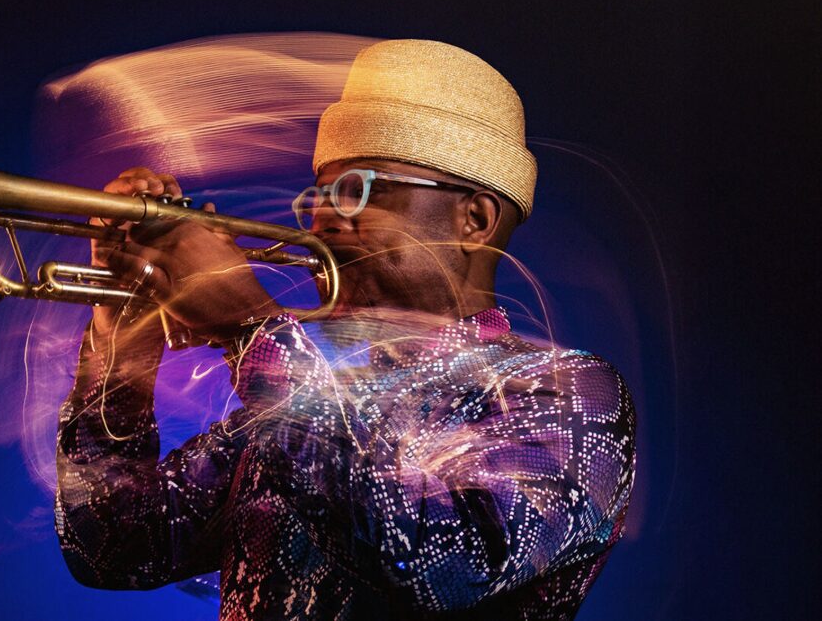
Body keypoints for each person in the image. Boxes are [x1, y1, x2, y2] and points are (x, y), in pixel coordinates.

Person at [54, 39, 636, 620]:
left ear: (474, 219)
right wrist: (126, 320)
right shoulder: (306, 394)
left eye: (363, 189)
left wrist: (250, 328)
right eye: (322, 192)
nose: (325, 215)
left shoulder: (567, 392)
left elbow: (439, 563)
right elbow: (111, 546)